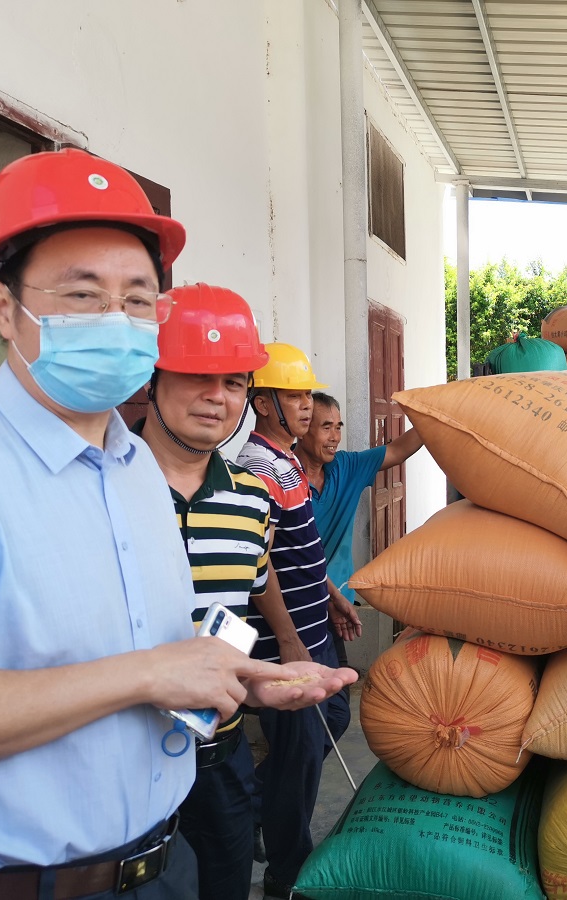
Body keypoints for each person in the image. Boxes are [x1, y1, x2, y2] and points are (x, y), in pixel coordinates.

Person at [0, 149, 355, 900]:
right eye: (82, 295)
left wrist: (239, 679)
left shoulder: (131, 472)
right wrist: (145, 673)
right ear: (3, 307)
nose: (116, 321)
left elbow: (136, 661)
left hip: (160, 868)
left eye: (137, 300)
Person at [134, 283, 280, 900]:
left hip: (219, 756)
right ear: (151, 378)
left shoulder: (254, 498)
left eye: (234, 381)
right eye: (196, 375)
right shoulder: (104, 488)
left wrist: (285, 665)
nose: (216, 398)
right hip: (125, 759)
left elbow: (252, 595)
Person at [235, 346, 362, 899]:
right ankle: (286, 874)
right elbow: (260, 564)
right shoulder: (255, 465)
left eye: (308, 393)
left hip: (317, 630)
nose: (306, 407)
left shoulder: (285, 458)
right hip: (286, 642)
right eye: (293, 396)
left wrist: (331, 594)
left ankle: (255, 807)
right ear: (263, 403)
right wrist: (288, 644)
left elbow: (299, 550)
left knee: (333, 717)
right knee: (300, 757)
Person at [295, 391, 424, 609]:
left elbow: (398, 450)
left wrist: (437, 417)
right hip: (296, 605)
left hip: (339, 606)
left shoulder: (347, 467)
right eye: (326, 428)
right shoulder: (281, 475)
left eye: (338, 427)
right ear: (302, 429)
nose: (335, 437)